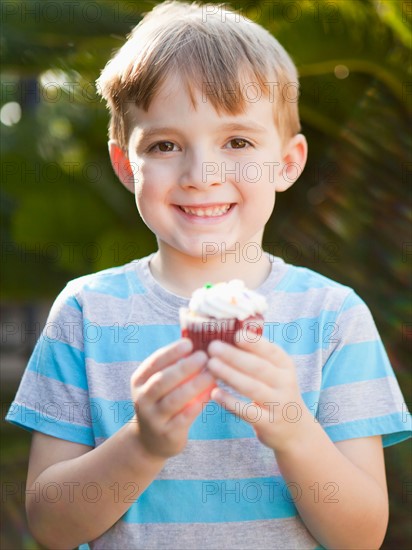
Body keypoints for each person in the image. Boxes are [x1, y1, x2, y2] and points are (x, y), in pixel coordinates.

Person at [6, 2, 411, 549]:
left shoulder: (333, 317)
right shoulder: (86, 312)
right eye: (165, 145)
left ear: (287, 163)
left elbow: (361, 536)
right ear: (127, 166)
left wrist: (294, 430)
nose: (202, 175)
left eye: (237, 142)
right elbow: (51, 526)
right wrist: (142, 443)